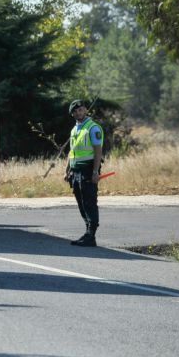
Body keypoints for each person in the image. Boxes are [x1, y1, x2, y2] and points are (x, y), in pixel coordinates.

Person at [64, 99, 104, 247]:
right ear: (72, 114)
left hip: (88, 170)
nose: (78, 113)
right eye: (75, 111)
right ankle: (88, 233)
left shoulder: (93, 128)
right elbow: (72, 151)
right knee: (81, 202)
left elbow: (98, 150)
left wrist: (95, 171)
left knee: (89, 202)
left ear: (85, 110)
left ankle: (91, 234)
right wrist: (67, 170)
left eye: (80, 110)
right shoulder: (74, 130)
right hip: (76, 171)